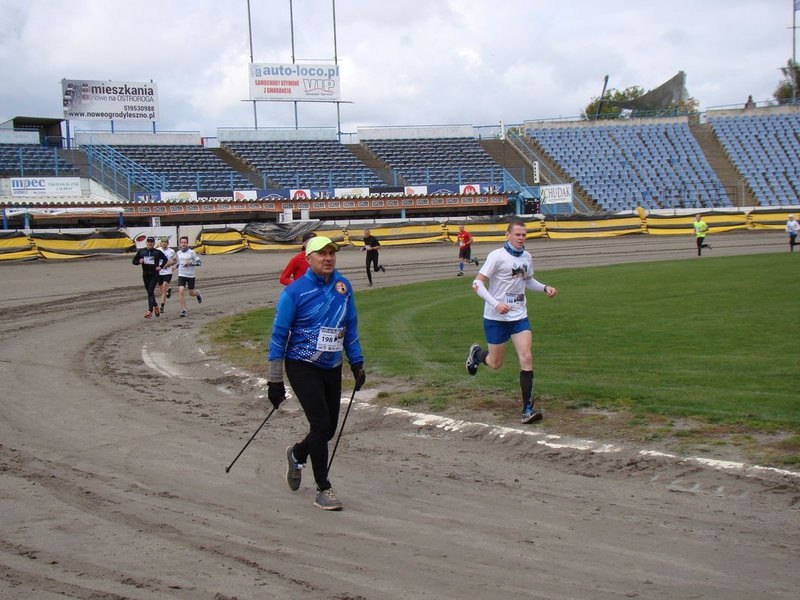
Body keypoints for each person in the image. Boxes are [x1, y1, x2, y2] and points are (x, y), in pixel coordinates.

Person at [267, 236, 366, 511]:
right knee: (321, 424)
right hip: (301, 365)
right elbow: (278, 335)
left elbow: (350, 325)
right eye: (321, 254)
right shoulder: (294, 292)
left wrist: (357, 363)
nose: (328, 258)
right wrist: (275, 380)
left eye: (331, 253)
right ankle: (323, 488)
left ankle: (298, 453)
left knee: (328, 429)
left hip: (332, 365)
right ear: (308, 258)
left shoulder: (343, 287)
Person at [465, 221, 558, 424]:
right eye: (517, 234)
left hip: (519, 316)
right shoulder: (497, 256)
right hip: (495, 317)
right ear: (507, 234)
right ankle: (477, 354)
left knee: (526, 357)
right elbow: (477, 283)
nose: (521, 238)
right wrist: (496, 304)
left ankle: (527, 409)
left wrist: (545, 287)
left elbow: (527, 280)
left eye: (524, 234)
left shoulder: (526, 257)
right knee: (495, 363)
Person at [132, 236, 169, 318]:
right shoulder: (142, 252)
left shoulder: (157, 252)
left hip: (154, 275)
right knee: (150, 292)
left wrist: (160, 266)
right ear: (146, 243)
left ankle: (150, 311)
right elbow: (133, 261)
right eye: (148, 242)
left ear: (154, 243)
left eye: (152, 242)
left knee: (150, 291)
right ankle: (155, 306)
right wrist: (139, 261)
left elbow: (165, 259)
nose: (150, 243)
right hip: (145, 275)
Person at [175, 235, 203, 317]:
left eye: (185, 242)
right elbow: (179, 262)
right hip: (181, 275)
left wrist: (191, 263)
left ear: (187, 243)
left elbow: (200, 263)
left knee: (191, 293)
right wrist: (176, 266)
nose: (183, 244)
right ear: (180, 244)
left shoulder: (192, 252)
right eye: (182, 242)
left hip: (190, 276)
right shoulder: (178, 253)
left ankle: (197, 294)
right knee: (181, 290)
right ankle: (184, 310)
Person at [156, 237, 177, 313]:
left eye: (165, 242)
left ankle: (162, 306)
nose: (164, 243)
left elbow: (175, 260)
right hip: (159, 272)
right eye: (163, 242)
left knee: (164, 287)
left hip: (168, 272)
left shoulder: (171, 251)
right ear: (161, 243)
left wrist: (171, 263)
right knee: (162, 290)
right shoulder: (157, 250)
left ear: (167, 243)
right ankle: (168, 291)